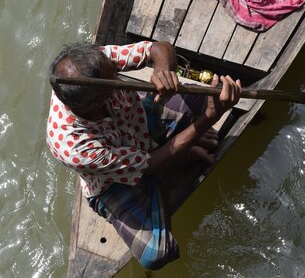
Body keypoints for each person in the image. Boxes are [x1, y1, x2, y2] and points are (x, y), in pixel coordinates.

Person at [47, 40, 242, 270]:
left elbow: (158, 49)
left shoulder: (95, 62)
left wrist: (164, 74)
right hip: (113, 182)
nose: (119, 82)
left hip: (140, 127)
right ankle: (176, 161)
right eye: (113, 84)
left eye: (116, 74)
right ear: (98, 102)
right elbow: (149, 165)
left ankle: (177, 151)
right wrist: (208, 119)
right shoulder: (74, 147)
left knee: (200, 97)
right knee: (156, 254)